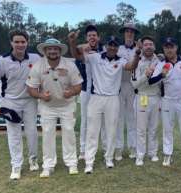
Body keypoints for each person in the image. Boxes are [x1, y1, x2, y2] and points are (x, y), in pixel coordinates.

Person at [68, 31, 137, 173]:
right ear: (105, 46)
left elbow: (131, 67)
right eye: (110, 45)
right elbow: (77, 55)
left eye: (115, 45)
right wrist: (73, 42)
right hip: (96, 98)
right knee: (92, 131)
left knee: (111, 130)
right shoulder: (94, 57)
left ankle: (109, 158)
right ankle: (89, 161)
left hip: (113, 99)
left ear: (118, 48)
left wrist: (137, 55)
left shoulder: (121, 60)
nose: (112, 48)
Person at [26, 38, 83, 178]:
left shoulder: (69, 65)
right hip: (47, 106)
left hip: (67, 104)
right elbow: (31, 88)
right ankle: (48, 165)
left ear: (60, 50)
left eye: (55, 48)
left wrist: (72, 92)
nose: (52, 51)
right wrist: (41, 95)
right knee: (47, 134)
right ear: (45, 51)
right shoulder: (38, 66)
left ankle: (71, 163)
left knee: (69, 132)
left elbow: (78, 85)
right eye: (49, 49)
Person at [0, 30, 40, 180]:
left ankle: (33, 160)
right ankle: (16, 165)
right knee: (14, 135)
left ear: (27, 42)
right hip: (10, 102)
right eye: (16, 42)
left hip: (30, 101)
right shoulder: (2, 60)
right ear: (11, 43)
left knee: (32, 132)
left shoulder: (36, 58)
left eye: (23, 42)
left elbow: (43, 76)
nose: (20, 44)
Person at [149, 37, 181, 167]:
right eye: (166, 47)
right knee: (167, 128)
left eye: (171, 47)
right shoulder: (161, 65)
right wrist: (162, 75)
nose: (169, 49)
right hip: (167, 100)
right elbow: (151, 81)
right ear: (164, 49)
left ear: (176, 47)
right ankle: (168, 154)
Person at [75, 25, 107, 160]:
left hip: (101, 91)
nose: (92, 37)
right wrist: (82, 50)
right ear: (86, 38)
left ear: (98, 38)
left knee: (104, 121)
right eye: (89, 36)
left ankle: (106, 149)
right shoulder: (82, 50)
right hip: (85, 91)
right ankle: (83, 150)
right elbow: (76, 58)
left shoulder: (104, 51)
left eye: (94, 35)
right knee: (85, 121)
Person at [130, 36, 161, 166]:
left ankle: (153, 153)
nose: (148, 46)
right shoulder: (137, 62)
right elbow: (134, 84)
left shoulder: (159, 61)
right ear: (142, 47)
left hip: (156, 97)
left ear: (154, 47)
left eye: (151, 44)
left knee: (153, 128)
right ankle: (140, 155)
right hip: (142, 97)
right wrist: (146, 75)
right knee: (141, 129)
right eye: (146, 44)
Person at [115, 23, 140, 161]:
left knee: (132, 118)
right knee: (119, 118)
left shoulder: (139, 49)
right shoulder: (118, 49)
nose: (129, 34)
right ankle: (118, 148)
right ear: (124, 33)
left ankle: (133, 147)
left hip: (133, 86)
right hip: (119, 85)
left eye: (132, 32)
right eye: (127, 31)